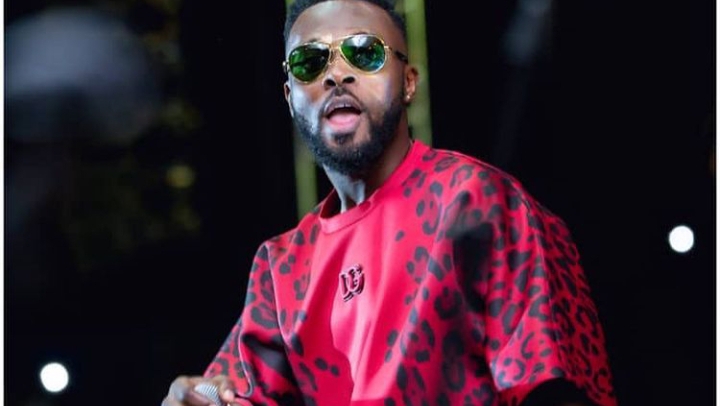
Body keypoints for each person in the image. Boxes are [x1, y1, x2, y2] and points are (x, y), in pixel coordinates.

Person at [162, 0, 617, 405]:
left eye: (365, 53)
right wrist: (194, 399)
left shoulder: (476, 201)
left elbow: (553, 386)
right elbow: (228, 394)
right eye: (309, 62)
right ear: (290, 97)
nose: (336, 74)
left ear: (408, 82)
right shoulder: (280, 267)